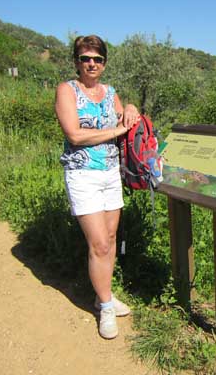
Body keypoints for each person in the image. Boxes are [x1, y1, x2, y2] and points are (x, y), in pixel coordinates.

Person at [54, 35, 140, 339]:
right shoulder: (67, 90)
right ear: (76, 61)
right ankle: (105, 306)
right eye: (85, 58)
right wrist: (116, 129)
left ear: (104, 63)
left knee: (112, 237)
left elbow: (127, 118)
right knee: (99, 244)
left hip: (109, 174)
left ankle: (103, 293)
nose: (91, 63)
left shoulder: (109, 92)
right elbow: (75, 136)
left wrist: (129, 107)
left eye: (97, 59)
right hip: (82, 174)